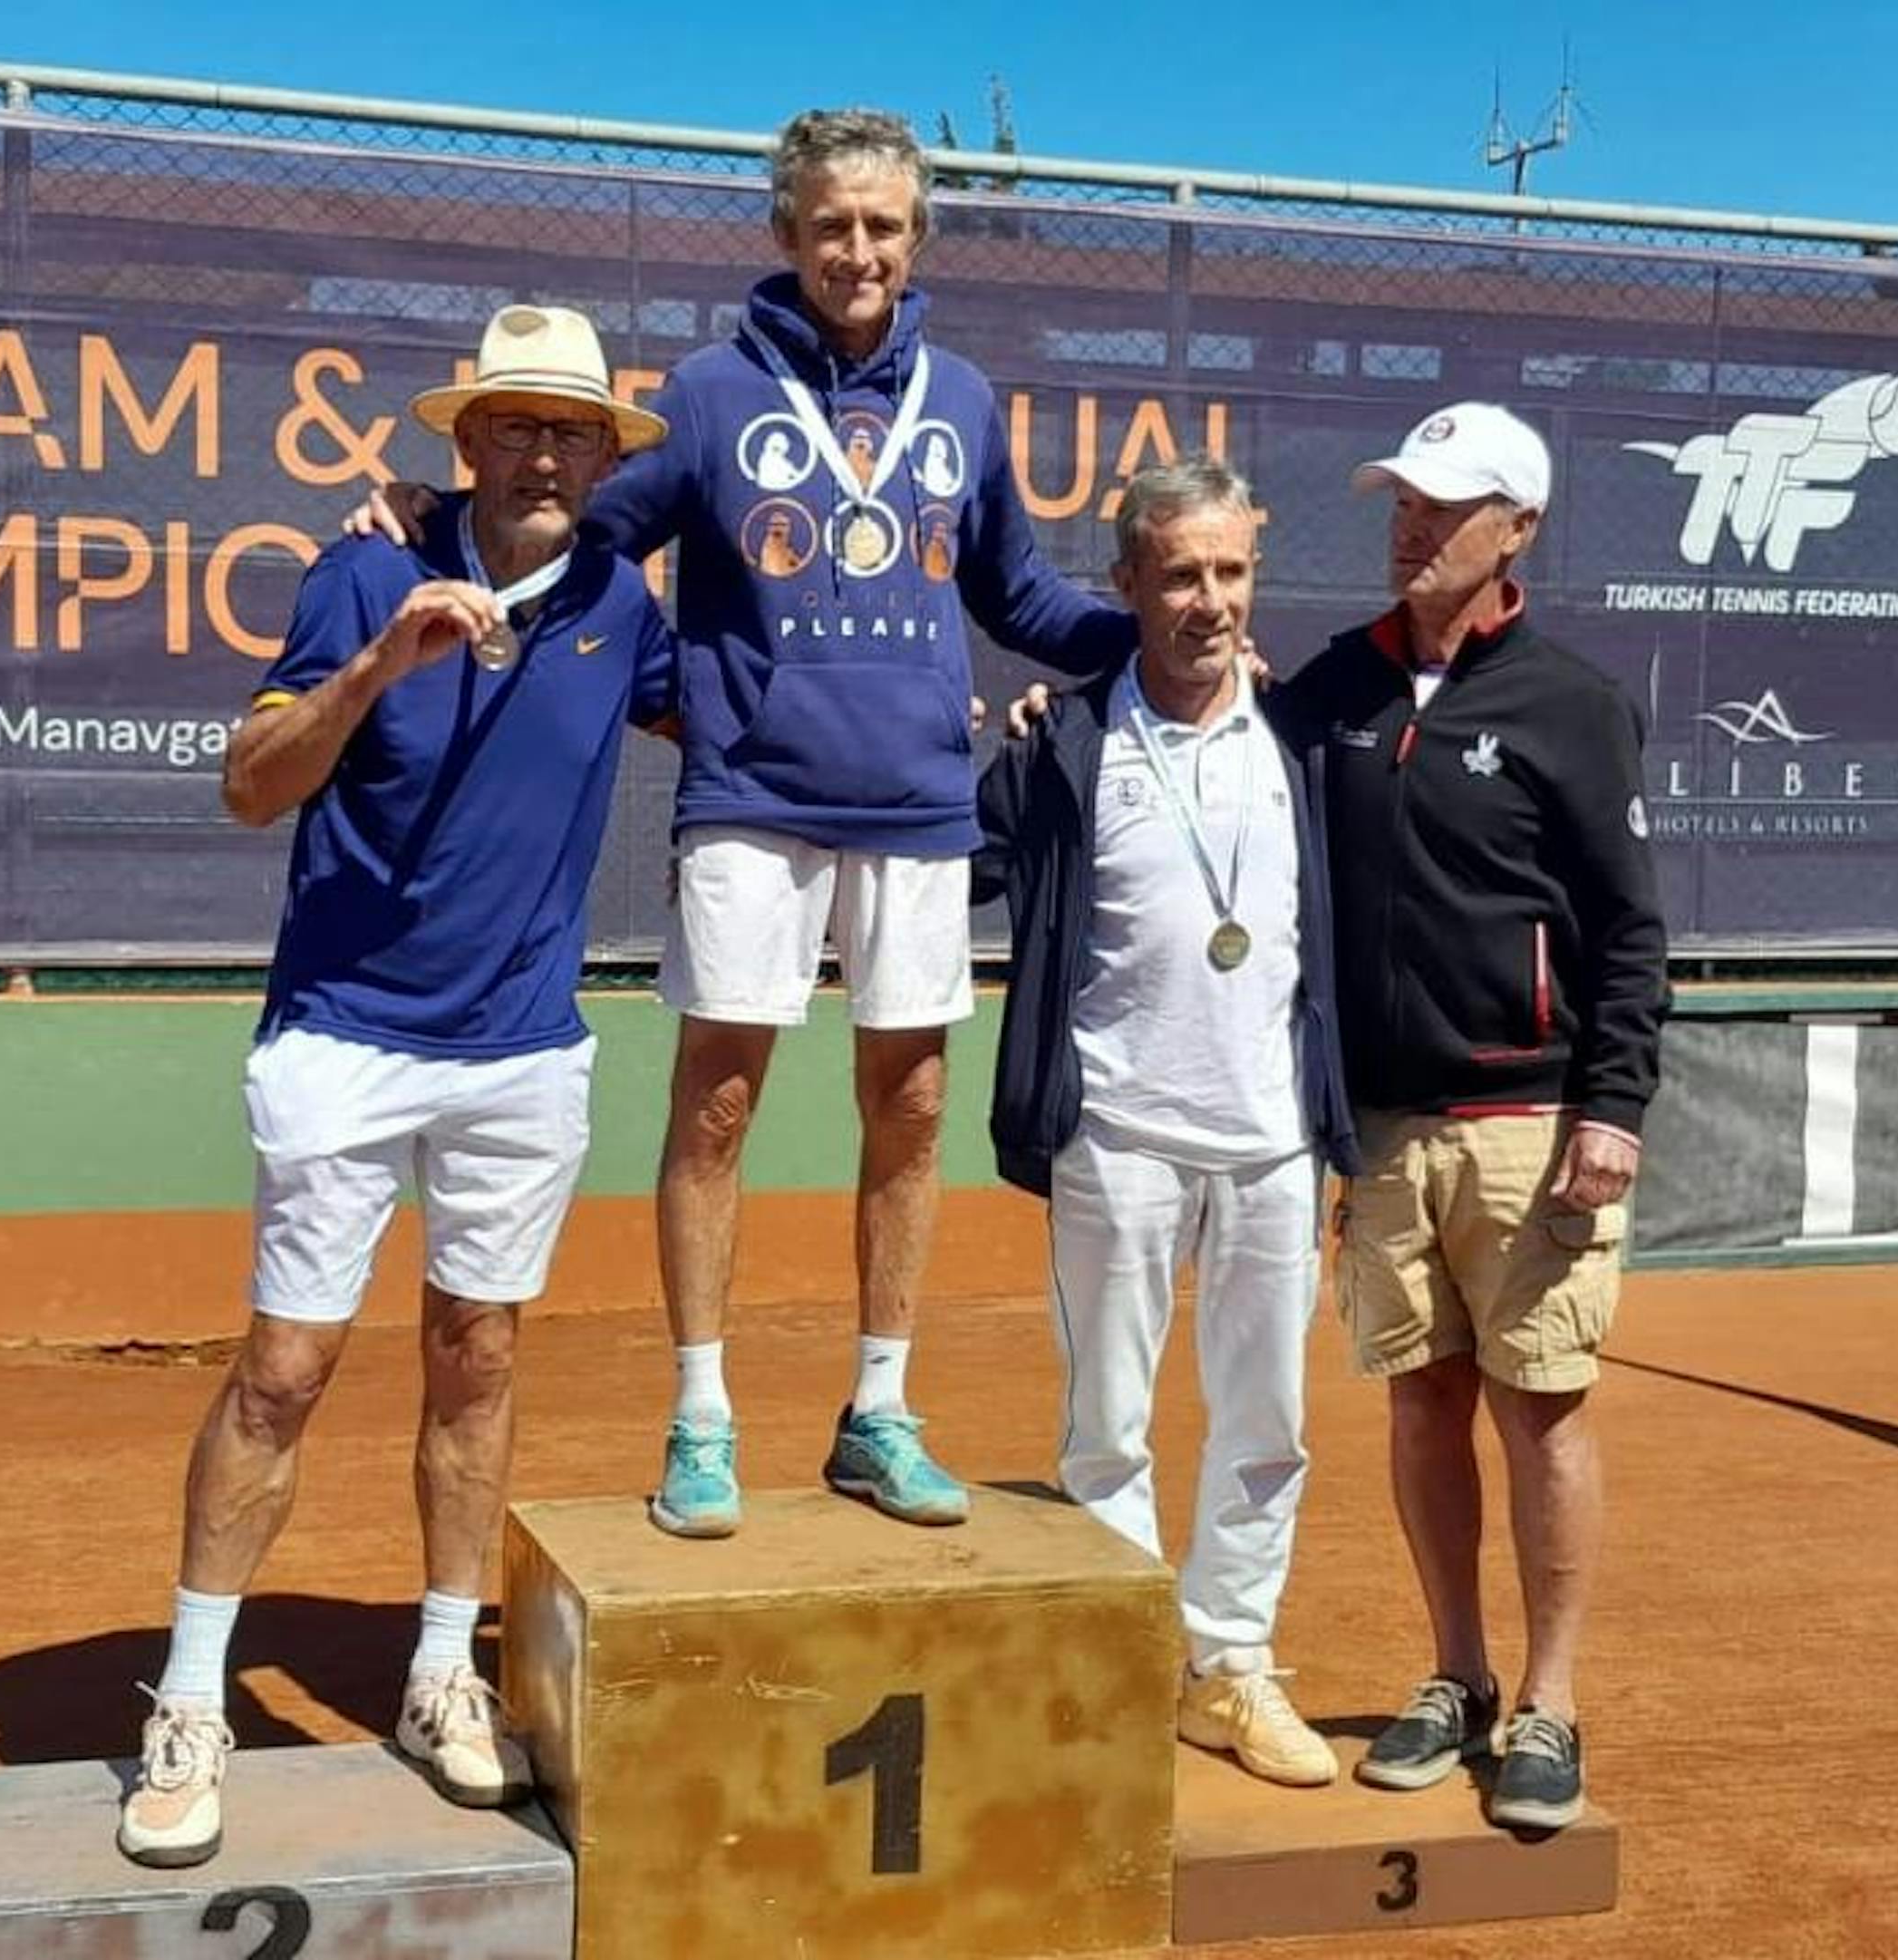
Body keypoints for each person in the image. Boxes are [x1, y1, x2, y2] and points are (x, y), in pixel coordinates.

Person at [352, 107, 1136, 1538]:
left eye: (884, 226)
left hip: (914, 809)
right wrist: (432, 525)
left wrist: (1158, 643)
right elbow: (575, 535)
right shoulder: (711, 395)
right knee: (717, 1107)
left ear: (916, 242)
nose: (858, 249)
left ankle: (878, 1410)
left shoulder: (960, 398)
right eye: (832, 222)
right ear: (787, 233)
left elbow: (1016, 595)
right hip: (751, 806)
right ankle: (701, 1417)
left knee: (907, 1114)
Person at [117, 306, 676, 1868]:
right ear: (468, 441)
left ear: (600, 457)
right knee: (286, 1368)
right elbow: (250, 785)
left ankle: (444, 1672)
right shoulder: (359, 569)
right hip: (345, 1038)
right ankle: (189, 1699)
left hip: (519, 1052)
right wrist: (381, 658)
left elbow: (767, 702)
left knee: (477, 1357)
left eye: (575, 429)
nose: (548, 450)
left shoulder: (623, 604)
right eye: (520, 424)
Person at [1262, 403, 1668, 1833]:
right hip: (1379, 1124)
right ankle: (1458, 1674)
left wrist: (1610, 1105)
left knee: (1540, 1413)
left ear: (1519, 529)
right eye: (1401, 500)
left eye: (1444, 504)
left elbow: (1629, 931)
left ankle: (1552, 1700)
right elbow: (1202, 740)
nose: (1411, 524)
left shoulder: (1571, 702)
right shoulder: (1329, 688)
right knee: (1420, 1400)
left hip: (1533, 1120)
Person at [973, 457, 1360, 1788]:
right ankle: (1130, 1670)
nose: (1210, 600)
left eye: (1232, 571)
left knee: (1268, 1423)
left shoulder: (1306, 735)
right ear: (1129, 581)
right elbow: (951, 849)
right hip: (1119, 1135)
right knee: (1109, 1427)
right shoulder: (1066, 738)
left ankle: (1234, 1668)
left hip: (1272, 1144)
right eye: (1182, 573)